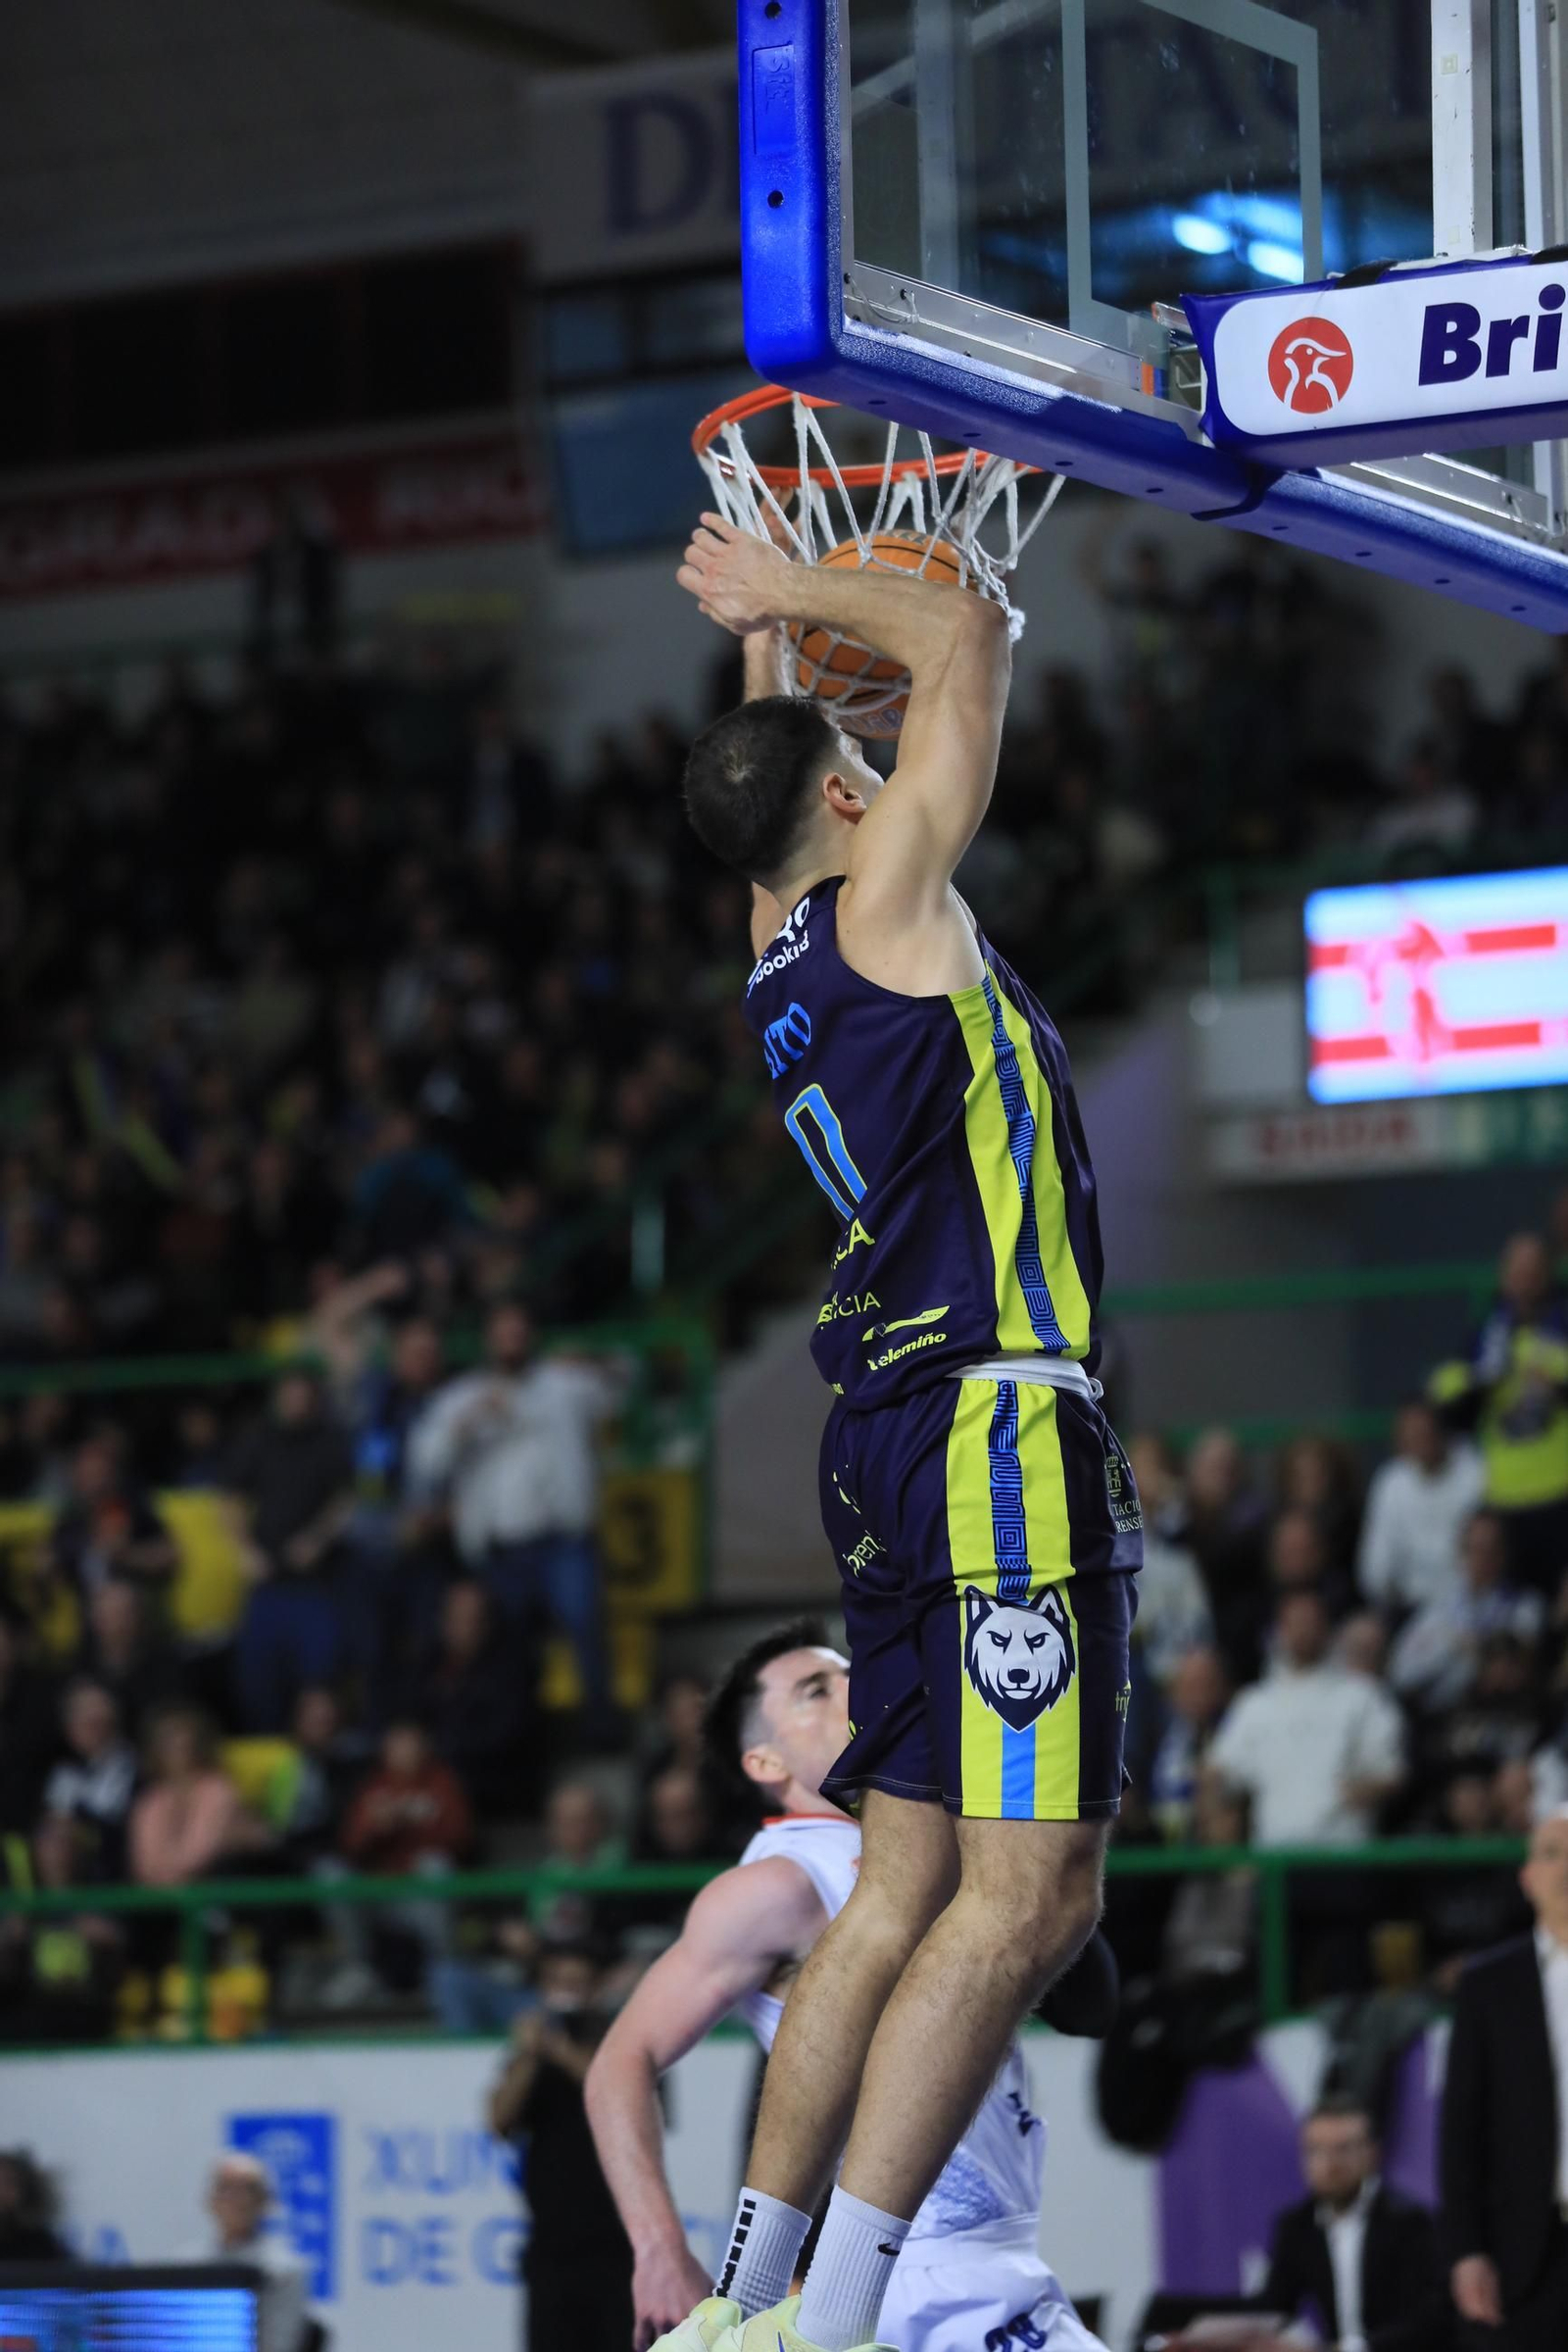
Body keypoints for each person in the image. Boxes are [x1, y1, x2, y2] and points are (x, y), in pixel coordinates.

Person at [659, 505, 1141, 2352]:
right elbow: (969, 642)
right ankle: (841, 2326)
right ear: (856, 808)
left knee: (909, 1882)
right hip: (995, 1424)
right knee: (1030, 1900)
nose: (890, 768)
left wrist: (769, 653)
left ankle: (746, 2303)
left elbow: (759, 783)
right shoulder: (886, 906)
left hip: (882, 1438)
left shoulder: (779, 949)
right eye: (869, 765)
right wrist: (786, 594)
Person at [586, 1624, 1113, 2352]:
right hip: (914, 2277)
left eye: (845, 1673)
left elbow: (1094, 2003)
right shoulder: (778, 1881)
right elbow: (620, 2060)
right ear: (765, 1759)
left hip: (991, 2256)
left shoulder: (932, 1846)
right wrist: (657, 2249)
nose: (849, 1689)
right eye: (814, 1691)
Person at [407, 1301, 621, 1730]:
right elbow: (423, 1460)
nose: (511, 1341)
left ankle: (601, 1727)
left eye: (518, 1332)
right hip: (503, 1551)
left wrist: (590, 1356)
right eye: (502, 1333)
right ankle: (526, 1735)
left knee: (584, 1629)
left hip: (564, 1539)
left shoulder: (564, 1384)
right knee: (512, 1651)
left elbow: (624, 1383)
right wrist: (465, 1425)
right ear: (488, 1340)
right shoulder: (463, 1396)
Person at [1441, 1805, 1568, 2348]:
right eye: (1553, 1853)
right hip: (1529, 2251)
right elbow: (1461, 2128)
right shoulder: (1490, 1983)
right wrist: (1467, 2251)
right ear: (1527, 1878)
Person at [490, 1940, 633, 2352]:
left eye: (576, 1982)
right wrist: (528, 2054)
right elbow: (498, 2120)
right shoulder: (532, 2054)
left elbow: (616, 2099)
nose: (565, 1992)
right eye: (556, 1982)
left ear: (597, 1987)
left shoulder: (624, 2038)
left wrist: (558, 2050)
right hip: (550, 2249)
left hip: (617, 2247)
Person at [1429, 1233, 1568, 1596]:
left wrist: (1556, 1383)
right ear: (1504, 1275)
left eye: (1534, 1269)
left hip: (1561, 1492)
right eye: (1517, 1269)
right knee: (1512, 1610)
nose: (1525, 1279)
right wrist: (1485, 1381)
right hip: (1504, 1497)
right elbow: (1449, 1409)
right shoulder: (1484, 1338)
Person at [1250, 2096, 1446, 2352]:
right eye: (1316, 2150)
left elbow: (1430, 2321)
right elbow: (1274, 2306)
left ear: (1372, 2153)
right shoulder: (1296, 2226)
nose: (1330, 2164)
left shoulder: (1410, 2222)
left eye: (1343, 2149)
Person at [1357, 1401, 1485, 1618]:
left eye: (1426, 1431)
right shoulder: (1390, 1481)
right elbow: (1376, 1565)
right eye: (1412, 1434)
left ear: (1441, 1430)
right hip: (1408, 1607)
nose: (1420, 1440)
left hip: (1470, 1604)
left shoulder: (1475, 1471)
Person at [181, 2153, 309, 2352]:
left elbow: (278, 2345)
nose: (235, 2199)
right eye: (226, 2188)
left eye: (247, 2190)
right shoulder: (186, 2265)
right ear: (210, 2199)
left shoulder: (283, 2270)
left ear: (265, 2200)